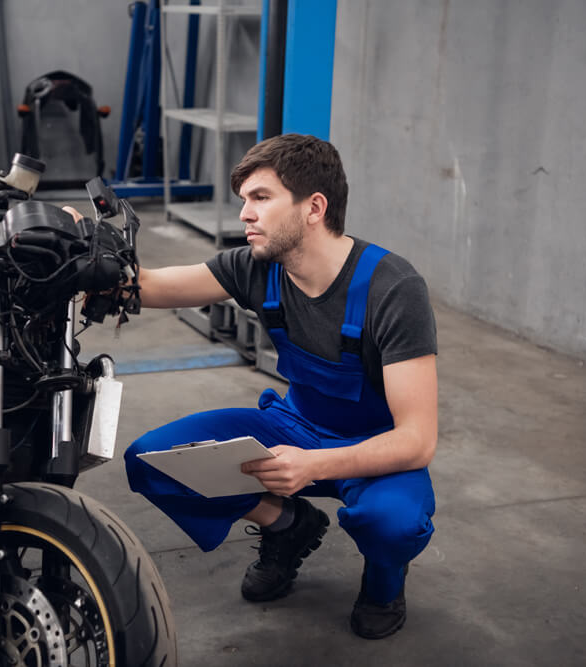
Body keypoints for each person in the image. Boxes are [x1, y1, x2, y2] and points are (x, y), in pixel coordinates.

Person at [71, 133, 437, 639]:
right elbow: (149, 285)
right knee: (154, 462)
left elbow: (417, 439)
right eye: (244, 199)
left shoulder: (392, 288)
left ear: (314, 207)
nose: (245, 213)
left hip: (376, 445)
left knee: (392, 522)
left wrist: (314, 465)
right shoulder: (258, 269)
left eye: (261, 198)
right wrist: (78, 255)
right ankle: (287, 526)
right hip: (294, 425)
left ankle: (383, 582)